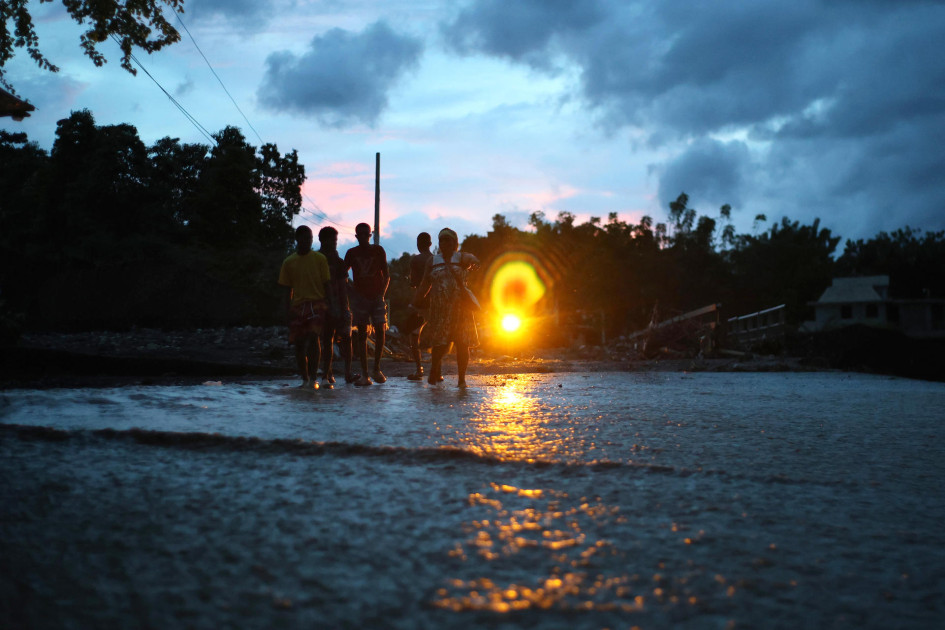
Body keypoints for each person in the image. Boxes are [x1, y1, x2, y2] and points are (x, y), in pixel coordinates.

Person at [411, 227, 480, 387]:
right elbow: (424, 285)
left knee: (462, 343)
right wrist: (414, 304)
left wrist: (475, 262)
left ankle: (461, 379)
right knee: (439, 343)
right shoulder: (433, 261)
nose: (444, 243)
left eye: (447, 240)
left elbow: (472, 258)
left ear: (454, 243)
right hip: (440, 310)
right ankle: (434, 370)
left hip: (460, 309)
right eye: (441, 240)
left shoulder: (461, 257)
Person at [278, 225, 330, 389]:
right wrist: (287, 311)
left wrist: (329, 305)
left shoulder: (320, 259)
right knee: (299, 343)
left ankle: (314, 378)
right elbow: (286, 290)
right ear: (297, 239)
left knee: (314, 339)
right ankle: (305, 379)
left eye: (310, 238)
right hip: (298, 305)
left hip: (317, 304)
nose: (308, 241)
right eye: (305, 238)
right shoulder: (289, 262)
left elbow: (327, 284)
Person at [343, 222, 389, 386]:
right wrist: (353, 292)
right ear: (356, 236)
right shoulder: (351, 253)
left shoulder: (378, 250)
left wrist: (381, 295)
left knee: (381, 329)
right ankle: (365, 374)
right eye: (360, 234)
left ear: (369, 236)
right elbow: (343, 274)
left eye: (365, 234)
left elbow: (387, 275)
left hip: (376, 296)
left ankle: (376, 368)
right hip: (361, 298)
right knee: (362, 334)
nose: (363, 237)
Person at [317, 226, 357, 385]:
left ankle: (346, 373)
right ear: (322, 240)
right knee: (327, 340)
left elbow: (343, 287)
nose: (334, 243)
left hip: (339, 305)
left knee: (346, 339)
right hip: (323, 306)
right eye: (331, 240)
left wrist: (345, 309)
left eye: (335, 240)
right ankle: (327, 374)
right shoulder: (317, 259)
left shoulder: (338, 262)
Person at [405, 232, 433, 380]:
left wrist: (413, 303)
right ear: (430, 244)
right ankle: (437, 371)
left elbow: (414, 285)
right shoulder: (437, 259)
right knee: (438, 337)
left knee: (414, 338)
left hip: (421, 305)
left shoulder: (416, 260)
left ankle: (419, 369)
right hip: (437, 303)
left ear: (418, 244)